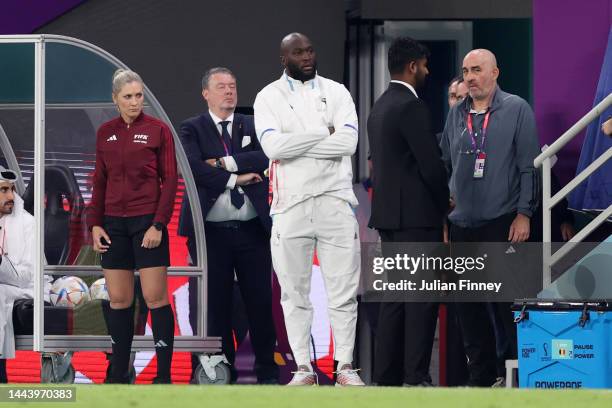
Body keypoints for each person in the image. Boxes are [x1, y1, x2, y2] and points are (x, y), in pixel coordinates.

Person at [254, 32, 364, 386]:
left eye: (310, 50)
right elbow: (273, 148)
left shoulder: (337, 92)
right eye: (298, 52)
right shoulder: (268, 97)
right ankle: (303, 368)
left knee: (343, 290)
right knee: (293, 292)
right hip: (290, 206)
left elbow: (348, 142)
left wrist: (297, 144)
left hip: (335, 201)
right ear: (283, 58)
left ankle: (344, 366)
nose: (307, 56)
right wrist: (322, 134)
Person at [440, 49, 540, 386]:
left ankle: (513, 375)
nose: (470, 77)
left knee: (505, 306)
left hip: (502, 222)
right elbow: (445, 165)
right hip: (462, 224)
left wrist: (524, 214)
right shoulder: (456, 115)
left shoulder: (516, 109)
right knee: (468, 309)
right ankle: (480, 378)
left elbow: (529, 168)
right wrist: (445, 217)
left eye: (477, 70)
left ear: (495, 72)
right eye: (466, 71)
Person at [177, 67, 278, 384]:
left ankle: (268, 373)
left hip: (252, 230)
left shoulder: (253, 123)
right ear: (206, 93)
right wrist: (237, 177)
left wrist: (223, 163)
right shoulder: (191, 128)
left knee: (260, 302)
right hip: (211, 234)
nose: (229, 92)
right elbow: (193, 168)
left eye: (232, 86)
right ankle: (220, 373)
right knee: (214, 305)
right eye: (221, 87)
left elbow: (265, 156)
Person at [367, 37, 449, 386]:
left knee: (395, 300)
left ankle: (385, 379)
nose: (428, 72)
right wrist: (445, 199)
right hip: (417, 220)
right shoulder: (411, 107)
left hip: (389, 219)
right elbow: (430, 165)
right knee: (421, 300)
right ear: (413, 66)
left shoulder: (380, 105)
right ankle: (416, 377)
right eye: (425, 65)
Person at [88, 69, 178, 384]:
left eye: (139, 95)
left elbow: (170, 182)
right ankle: (119, 372)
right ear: (115, 99)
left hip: (147, 224)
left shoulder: (158, 130)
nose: (134, 102)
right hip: (113, 224)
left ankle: (164, 375)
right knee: (120, 301)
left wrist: (158, 224)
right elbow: (98, 182)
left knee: (155, 298)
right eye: (128, 96)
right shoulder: (105, 133)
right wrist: (95, 223)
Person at [0, 166, 52, 383]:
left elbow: (25, 277)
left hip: (31, 289)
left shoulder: (27, 224)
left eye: (11, 189)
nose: (11, 196)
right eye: (4, 190)